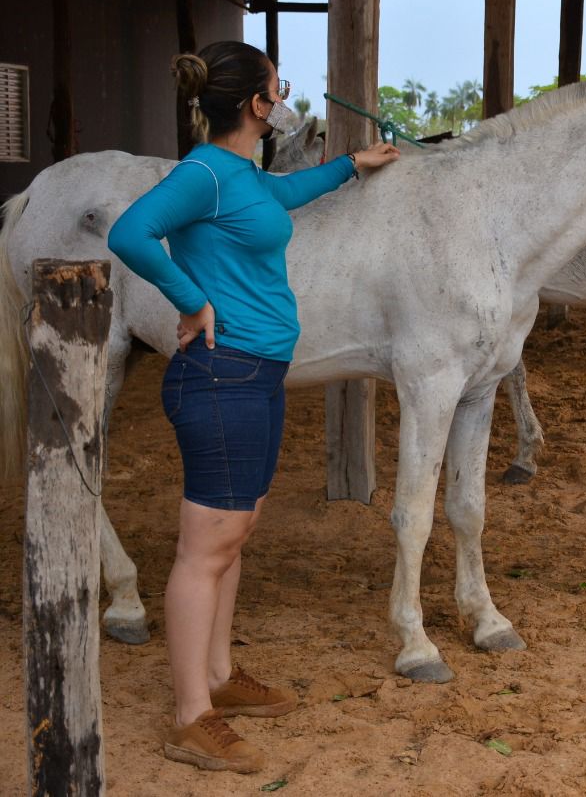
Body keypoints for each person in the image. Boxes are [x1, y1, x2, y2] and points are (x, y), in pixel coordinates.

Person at [107, 41, 399, 773]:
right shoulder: (202, 172)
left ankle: (216, 674)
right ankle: (189, 717)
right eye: (279, 87)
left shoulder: (242, 174)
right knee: (204, 549)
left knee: (233, 537)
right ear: (257, 105)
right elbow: (128, 233)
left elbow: (281, 199)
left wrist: (348, 167)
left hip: (256, 375)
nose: (284, 97)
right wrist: (191, 299)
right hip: (220, 375)